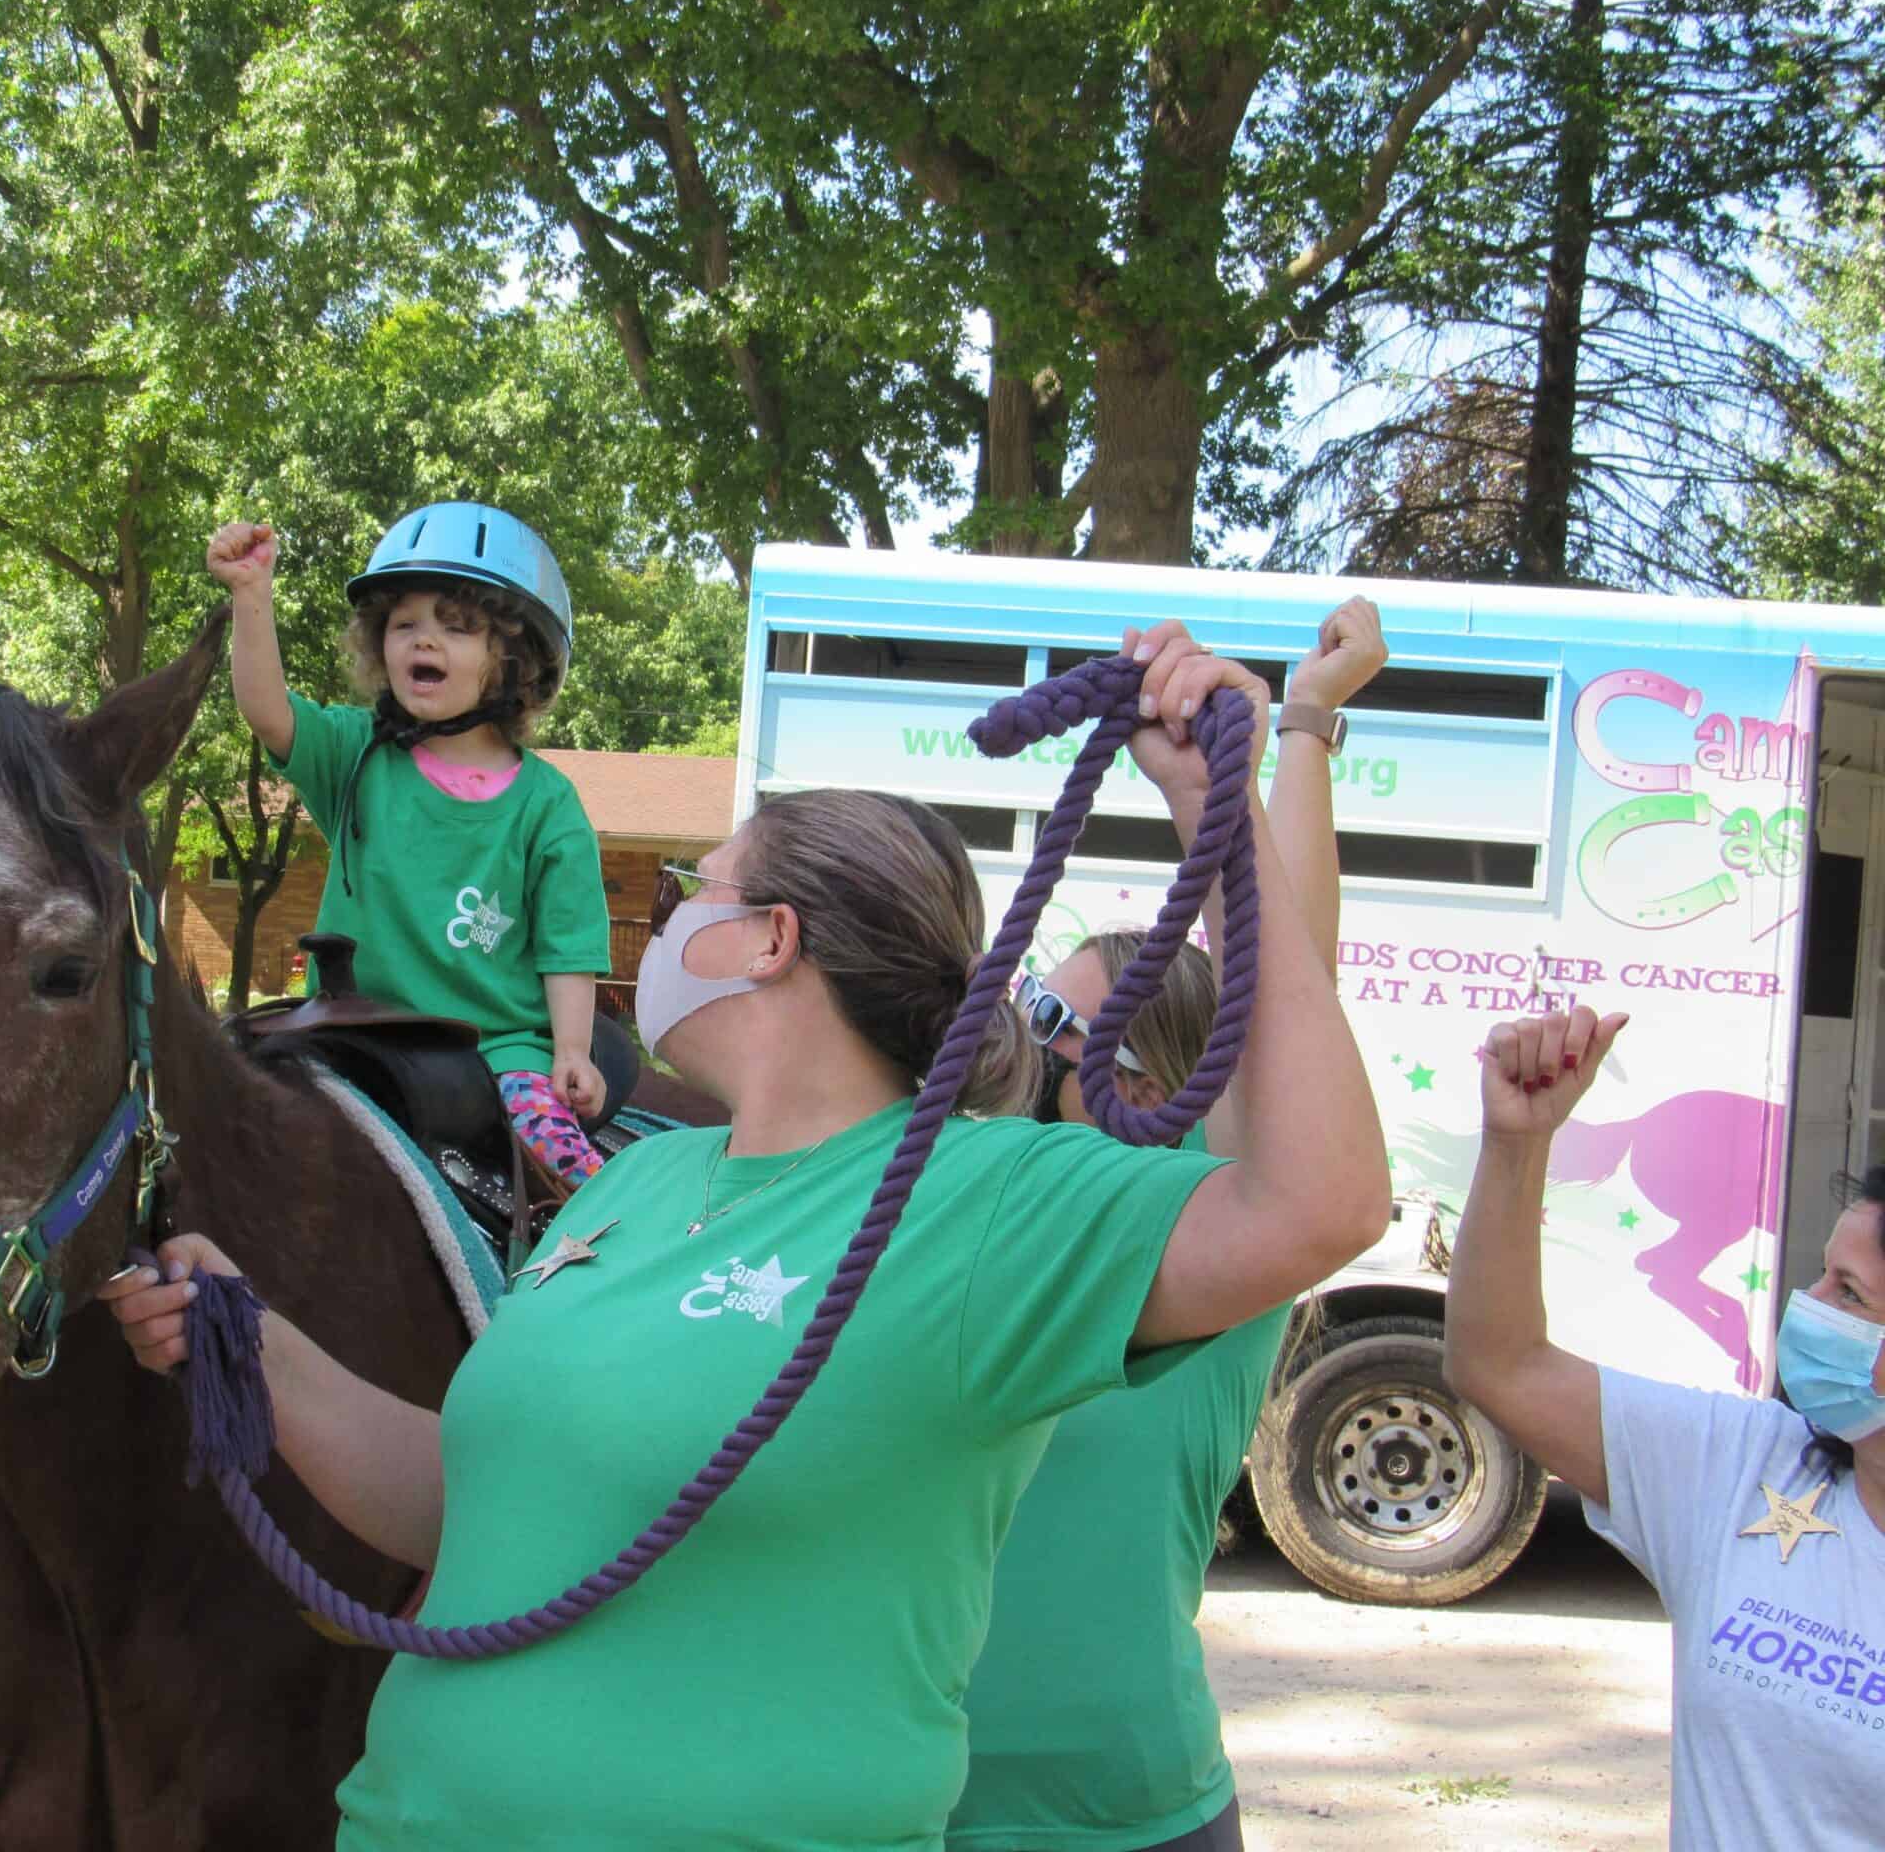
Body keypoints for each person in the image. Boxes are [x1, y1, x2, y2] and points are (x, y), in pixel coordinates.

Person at [102, 626, 1392, 1851]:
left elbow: (1316, 1203)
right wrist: (256, 1347)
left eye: (687, 894)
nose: (661, 927)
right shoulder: (632, 1186)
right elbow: (485, 1509)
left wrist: (1213, 815)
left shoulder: (980, 1197)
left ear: (770, 940)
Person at [955, 598, 1388, 1852]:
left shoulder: (1219, 1229)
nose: (1026, 1041)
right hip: (905, 1796)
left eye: (1058, 1021)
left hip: (1124, 1816)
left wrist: (1292, 731)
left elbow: (1292, 972)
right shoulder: (990, 1198)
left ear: (1151, 1082)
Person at [1447, 1006, 1885, 1848]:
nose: (1810, 1307)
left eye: (1850, 1295)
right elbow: (1498, 1365)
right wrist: (1517, 1143)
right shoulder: (1746, 1466)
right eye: (1824, 1277)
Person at [206, 503, 614, 1184]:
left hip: (499, 1048)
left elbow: (567, 947)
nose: (424, 641)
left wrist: (571, 1049)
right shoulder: (353, 752)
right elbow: (265, 709)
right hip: (350, 1031)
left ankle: (596, 1276)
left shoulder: (548, 806)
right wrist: (252, 596)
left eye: (456, 629)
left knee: (566, 1169)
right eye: (404, 626)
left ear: (511, 661)